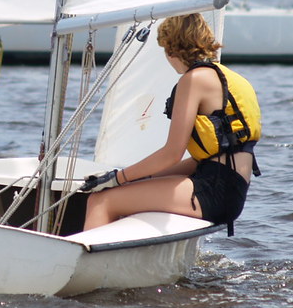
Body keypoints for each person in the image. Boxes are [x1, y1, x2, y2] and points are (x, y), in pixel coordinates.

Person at [80, 13, 261, 234]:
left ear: (171, 48)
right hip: (232, 191)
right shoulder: (228, 77)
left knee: (101, 200)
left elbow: (172, 153)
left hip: (213, 189)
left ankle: (86, 268)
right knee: (129, 192)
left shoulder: (193, 80)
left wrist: (117, 179)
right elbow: (200, 161)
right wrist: (136, 179)